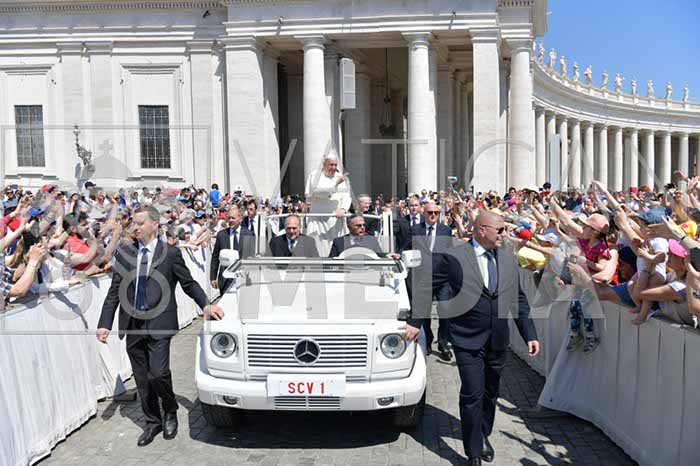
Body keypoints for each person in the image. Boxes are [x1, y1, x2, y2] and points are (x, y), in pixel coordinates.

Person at [404, 210, 539, 465]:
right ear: (482, 230)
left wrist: (529, 334)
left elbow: (518, 299)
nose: (504, 234)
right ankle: (473, 451)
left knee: (491, 392)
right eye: (500, 230)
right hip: (467, 339)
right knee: (472, 393)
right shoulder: (455, 256)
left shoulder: (507, 259)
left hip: (498, 339)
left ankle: (483, 433)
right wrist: (415, 321)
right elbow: (426, 285)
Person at [96, 205, 224, 447]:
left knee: (158, 373)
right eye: (133, 223)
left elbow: (188, 283)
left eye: (140, 223)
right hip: (132, 324)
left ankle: (170, 409)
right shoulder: (125, 254)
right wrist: (104, 323)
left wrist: (206, 305)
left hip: (159, 322)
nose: (135, 227)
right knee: (142, 378)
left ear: (154, 224)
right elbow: (114, 292)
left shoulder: (170, 253)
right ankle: (152, 422)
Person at [403, 201, 453, 361]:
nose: (433, 215)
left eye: (436, 213)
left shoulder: (445, 230)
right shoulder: (415, 229)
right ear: (423, 213)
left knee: (445, 309)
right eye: (430, 212)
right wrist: (399, 254)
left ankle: (443, 343)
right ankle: (428, 341)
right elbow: (406, 247)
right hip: (423, 277)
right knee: (424, 312)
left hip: (443, 278)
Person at [305, 152, 352, 256]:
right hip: (319, 220)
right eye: (331, 165)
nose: (334, 167)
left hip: (336, 220)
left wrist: (343, 208)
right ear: (324, 164)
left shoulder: (339, 177)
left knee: (336, 246)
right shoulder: (315, 175)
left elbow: (346, 196)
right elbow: (318, 192)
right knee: (319, 246)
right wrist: (335, 184)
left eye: (335, 165)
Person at [210, 205, 254, 293]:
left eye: (233, 218)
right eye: (229, 218)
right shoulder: (221, 235)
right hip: (226, 278)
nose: (230, 220)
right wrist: (213, 277)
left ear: (240, 219)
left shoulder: (249, 234)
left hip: (242, 278)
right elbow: (215, 257)